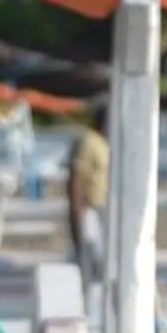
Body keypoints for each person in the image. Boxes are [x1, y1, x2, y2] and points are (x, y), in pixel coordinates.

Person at [66, 97, 110, 274]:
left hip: (103, 208)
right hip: (90, 208)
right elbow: (78, 175)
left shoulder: (104, 143)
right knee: (91, 256)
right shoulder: (89, 142)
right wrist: (78, 210)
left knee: (102, 257)